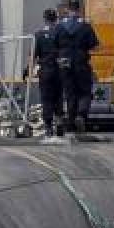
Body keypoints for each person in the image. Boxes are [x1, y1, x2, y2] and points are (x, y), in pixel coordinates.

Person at [56, 0, 99, 132]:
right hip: (81, 61)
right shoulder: (85, 26)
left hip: (64, 62)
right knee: (85, 90)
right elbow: (95, 46)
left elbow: (54, 44)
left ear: (68, 10)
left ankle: (70, 120)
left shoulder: (60, 26)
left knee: (69, 92)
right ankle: (81, 114)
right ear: (79, 10)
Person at [31, 8, 63, 137]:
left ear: (44, 19)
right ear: (56, 18)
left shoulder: (38, 35)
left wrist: (31, 71)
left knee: (46, 98)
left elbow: (33, 55)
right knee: (59, 97)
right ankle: (60, 122)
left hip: (45, 70)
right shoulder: (61, 33)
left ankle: (49, 126)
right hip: (59, 70)